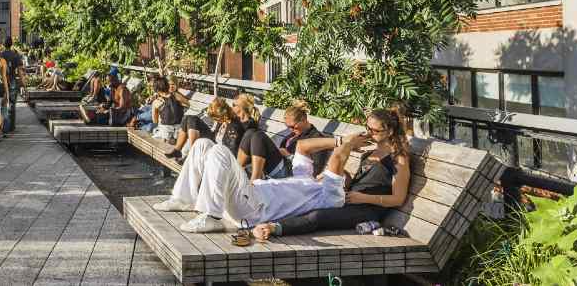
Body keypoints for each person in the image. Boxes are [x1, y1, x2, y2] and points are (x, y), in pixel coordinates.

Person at [157, 107, 411, 236]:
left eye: (374, 130)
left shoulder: (329, 196)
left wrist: (346, 145)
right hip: (248, 193)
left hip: (253, 207)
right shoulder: (308, 180)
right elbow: (303, 147)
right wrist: (338, 141)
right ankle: (183, 198)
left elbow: (337, 162)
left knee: (220, 152)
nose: (369, 133)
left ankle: (210, 216)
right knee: (203, 144)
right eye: (367, 128)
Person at [167, 93, 258, 163]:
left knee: (194, 126)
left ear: (242, 108)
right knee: (191, 119)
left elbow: (235, 144)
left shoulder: (247, 124)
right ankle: (178, 150)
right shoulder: (232, 117)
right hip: (215, 139)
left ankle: (192, 156)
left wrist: (228, 121)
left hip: (220, 149)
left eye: (234, 105)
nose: (232, 106)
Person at [1, 37, 26, 134]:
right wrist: (23, 84)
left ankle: (3, 125)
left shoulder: (0, 54)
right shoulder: (16, 55)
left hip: (1, 82)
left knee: (2, 104)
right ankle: (11, 126)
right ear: (11, 44)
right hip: (12, 81)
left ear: (3, 44)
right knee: (12, 104)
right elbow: (20, 71)